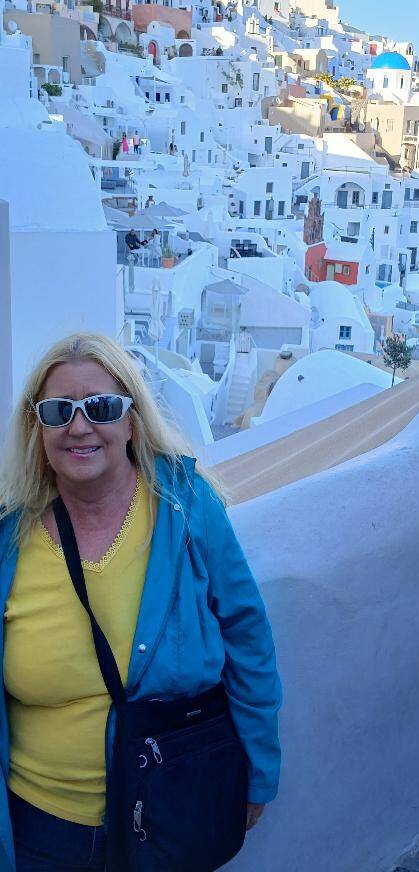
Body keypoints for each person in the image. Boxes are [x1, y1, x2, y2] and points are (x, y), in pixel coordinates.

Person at [0, 333, 282, 871]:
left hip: (173, 807)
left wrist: (259, 769)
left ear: (131, 420)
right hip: (41, 828)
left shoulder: (185, 507)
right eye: (59, 411)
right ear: (37, 427)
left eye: (101, 407)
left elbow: (247, 637)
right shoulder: (9, 536)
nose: (79, 426)